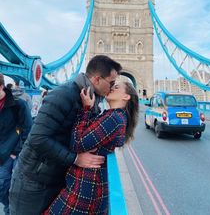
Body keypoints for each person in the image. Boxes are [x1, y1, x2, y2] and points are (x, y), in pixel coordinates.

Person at [9, 55, 122, 215]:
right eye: (111, 83)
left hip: (56, 178)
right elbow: (37, 139)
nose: (112, 87)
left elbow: (81, 138)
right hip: (33, 182)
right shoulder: (63, 94)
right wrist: (75, 159)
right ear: (97, 79)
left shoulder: (91, 100)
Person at [43, 81, 139, 214]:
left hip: (84, 189)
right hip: (87, 186)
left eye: (116, 87)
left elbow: (77, 144)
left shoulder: (114, 118)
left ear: (126, 97)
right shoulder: (114, 116)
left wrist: (86, 109)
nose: (112, 88)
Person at [0, 74, 32, 215]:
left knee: (15, 188)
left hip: (13, 153)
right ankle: (10, 208)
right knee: (2, 189)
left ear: (1, 86)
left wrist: (16, 152)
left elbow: (27, 129)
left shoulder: (18, 105)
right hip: (1, 154)